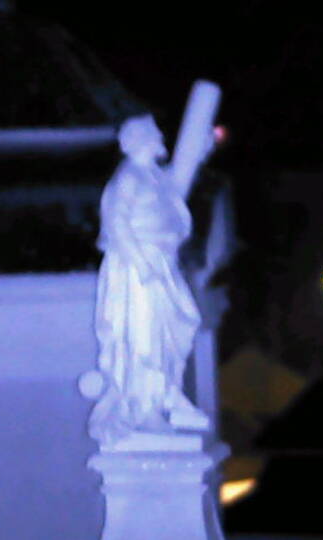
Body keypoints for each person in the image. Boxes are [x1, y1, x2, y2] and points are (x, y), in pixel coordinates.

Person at [87, 114, 208, 445]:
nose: (161, 139)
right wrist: (142, 266)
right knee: (145, 337)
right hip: (136, 268)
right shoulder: (128, 177)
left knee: (177, 325)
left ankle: (167, 392)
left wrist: (199, 151)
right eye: (156, 134)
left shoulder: (152, 175)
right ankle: (144, 407)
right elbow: (116, 223)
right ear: (142, 140)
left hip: (161, 262)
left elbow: (177, 184)